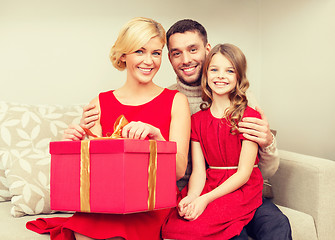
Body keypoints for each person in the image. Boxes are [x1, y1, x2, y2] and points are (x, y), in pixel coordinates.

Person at [80, 19, 292, 239]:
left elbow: (262, 171)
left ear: (207, 50)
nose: (186, 60)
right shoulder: (173, 100)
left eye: (193, 49)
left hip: (243, 190)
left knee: (275, 225)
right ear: (170, 57)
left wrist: (267, 142)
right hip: (197, 190)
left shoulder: (242, 101)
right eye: (176, 53)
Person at [27, 17, 190, 240]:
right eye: (139, 51)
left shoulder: (176, 100)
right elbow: (96, 176)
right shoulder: (99, 103)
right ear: (124, 55)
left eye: (156, 52)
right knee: (80, 232)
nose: (149, 61)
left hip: (152, 203)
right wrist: (76, 145)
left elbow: (179, 171)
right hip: (108, 202)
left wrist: (159, 138)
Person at [162, 43, 264, 239]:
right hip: (211, 183)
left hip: (242, 188)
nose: (220, 76)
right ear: (206, 75)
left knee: (207, 225)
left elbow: (243, 174)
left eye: (229, 71)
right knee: (177, 226)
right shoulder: (197, 121)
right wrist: (193, 197)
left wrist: (204, 200)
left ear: (238, 77)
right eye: (214, 70)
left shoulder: (249, 117)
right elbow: (199, 171)